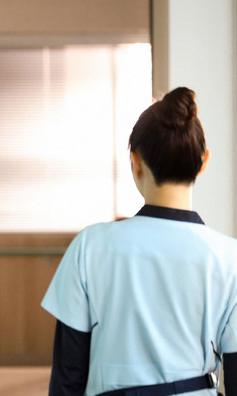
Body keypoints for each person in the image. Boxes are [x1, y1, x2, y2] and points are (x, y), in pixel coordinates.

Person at [42, 87, 237, 395]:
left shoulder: (90, 247)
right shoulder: (229, 258)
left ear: (135, 162)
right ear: (203, 162)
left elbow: (68, 378)